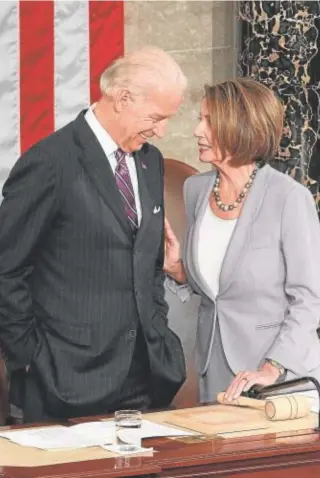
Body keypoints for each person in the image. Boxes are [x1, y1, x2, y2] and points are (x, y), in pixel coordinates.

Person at [0, 46, 187, 422]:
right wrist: (30, 357)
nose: (162, 130)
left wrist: (158, 330)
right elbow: (6, 267)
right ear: (122, 99)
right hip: (64, 383)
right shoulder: (50, 162)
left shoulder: (150, 161)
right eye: (156, 116)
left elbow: (146, 262)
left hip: (146, 379)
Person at [164, 78, 320, 404]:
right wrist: (178, 269)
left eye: (208, 121)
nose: (196, 131)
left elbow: (309, 300)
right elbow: (219, 286)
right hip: (215, 374)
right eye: (200, 119)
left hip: (281, 380)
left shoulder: (289, 198)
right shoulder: (196, 190)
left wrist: (271, 368)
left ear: (240, 127)